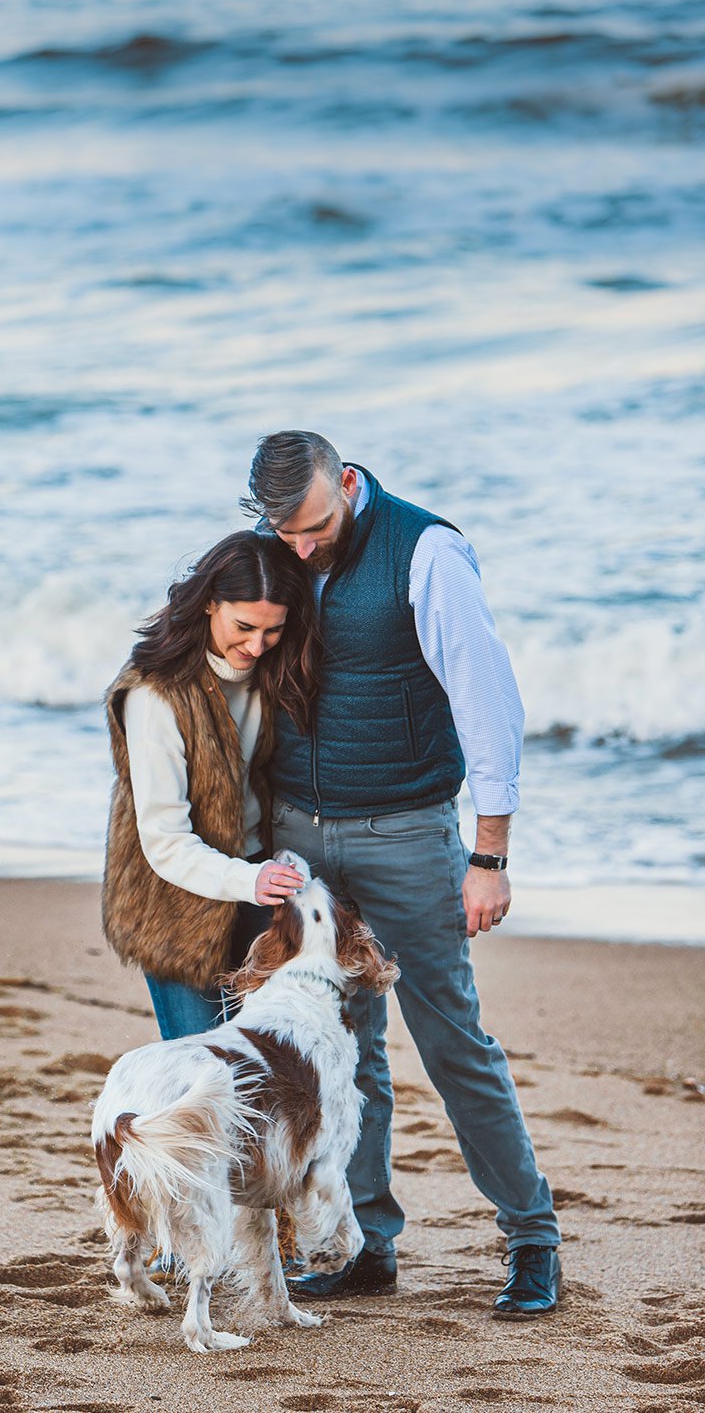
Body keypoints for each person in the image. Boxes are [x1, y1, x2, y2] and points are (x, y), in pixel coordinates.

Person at [244, 430, 558, 1316]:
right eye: (284, 531)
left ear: (346, 482)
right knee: (344, 1055)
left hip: (409, 835)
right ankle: (369, 1245)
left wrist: (488, 856)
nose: (300, 547)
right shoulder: (273, 549)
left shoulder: (427, 553)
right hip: (302, 842)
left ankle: (532, 1239)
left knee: (454, 1042)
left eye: (312, 525)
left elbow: (486, 699)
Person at [101, 531, 318, 1038]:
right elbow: (166, 843)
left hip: (257, 889)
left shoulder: (272, 669)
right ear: (207, 606)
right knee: (203, 1072)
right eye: (243, 626)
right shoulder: (154, 695)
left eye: (273, 630)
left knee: (263, 1071)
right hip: (177, 907)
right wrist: (251, 881)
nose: (255, 645)